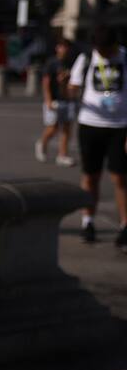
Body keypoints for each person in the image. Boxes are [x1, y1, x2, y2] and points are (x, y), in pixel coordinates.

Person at [68, 27, 127, 249]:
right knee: (90, 176)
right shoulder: (85, 59)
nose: (104, 55)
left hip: (120, 125)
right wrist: (68, 88)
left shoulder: (125, 57)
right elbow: (72, 89)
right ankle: (88, 221)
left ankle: (125, 226)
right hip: (90, 124)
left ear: (114, 45)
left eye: (107, 51)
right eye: (100, 51)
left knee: (120, 178)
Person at [36, 39, 77, 167]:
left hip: (68, 100)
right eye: (61, 46)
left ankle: (62, 155)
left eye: (66, 47)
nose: (64, 49)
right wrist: (48, 99)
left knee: (66, 128)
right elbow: (46, 82)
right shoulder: (52, 62)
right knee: (52, 128)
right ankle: (42, 143)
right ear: (57, 48)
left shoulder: (71, 62)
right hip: (54, 100)